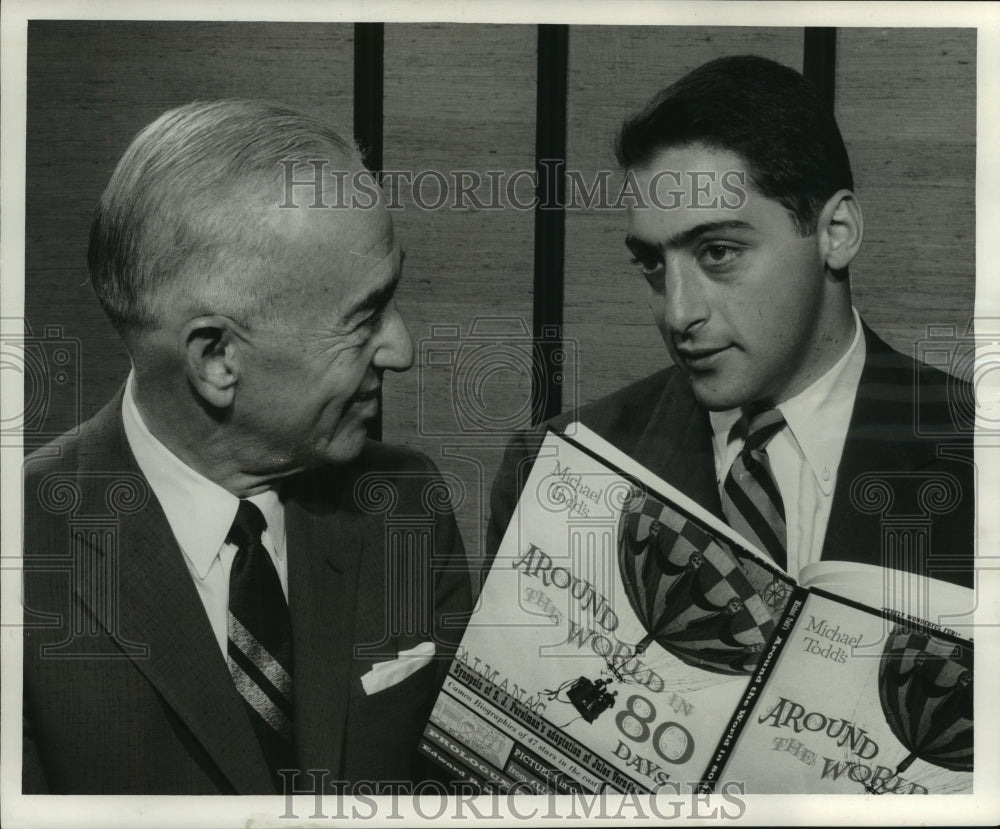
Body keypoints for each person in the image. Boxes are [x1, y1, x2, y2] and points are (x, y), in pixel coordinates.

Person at [22, 100, 472, 794]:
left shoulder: (407, 507)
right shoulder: (22, 557)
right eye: (363, 318)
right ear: (216, 358)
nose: (403, 348)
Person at [488, 55, 974, 589]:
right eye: (653, 264)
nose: (678, 313)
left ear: (835, 232)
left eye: (718, 251)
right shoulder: (555, 468)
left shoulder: (981, 457)